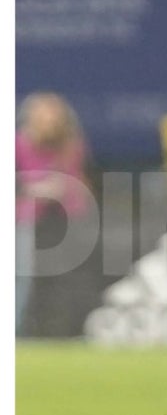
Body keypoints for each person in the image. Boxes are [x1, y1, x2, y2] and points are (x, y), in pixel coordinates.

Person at [15, 92, 93, 335]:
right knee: (23, 276)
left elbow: (79, 182)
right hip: (28, 220)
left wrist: (66, 188)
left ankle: (62, 330)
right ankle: (17, 329)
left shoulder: (71, 146)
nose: (49, 121)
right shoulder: (18, 144)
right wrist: (36, 188)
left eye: (54, 116)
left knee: (64, 278)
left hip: (64, 220)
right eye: (44, 115)